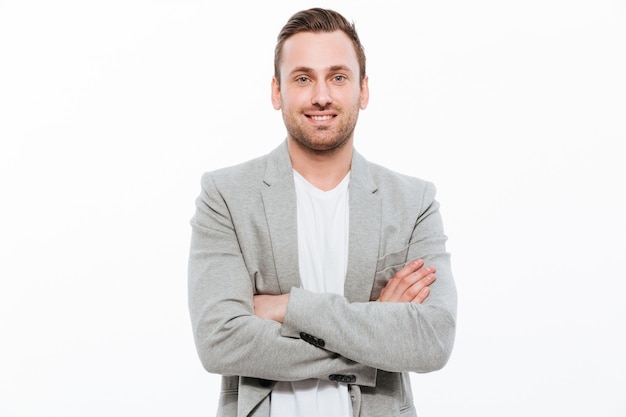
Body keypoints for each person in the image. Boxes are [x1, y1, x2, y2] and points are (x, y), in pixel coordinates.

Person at [188, 7, 457, 417]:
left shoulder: (413, 201)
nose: (321, 96)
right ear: (277, 91)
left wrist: (287, 306)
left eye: (338, 76)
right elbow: (219, 341)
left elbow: (431, 340)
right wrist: (376, 333)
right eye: (302, 78)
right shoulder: (225, 196)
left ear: (362, 90)